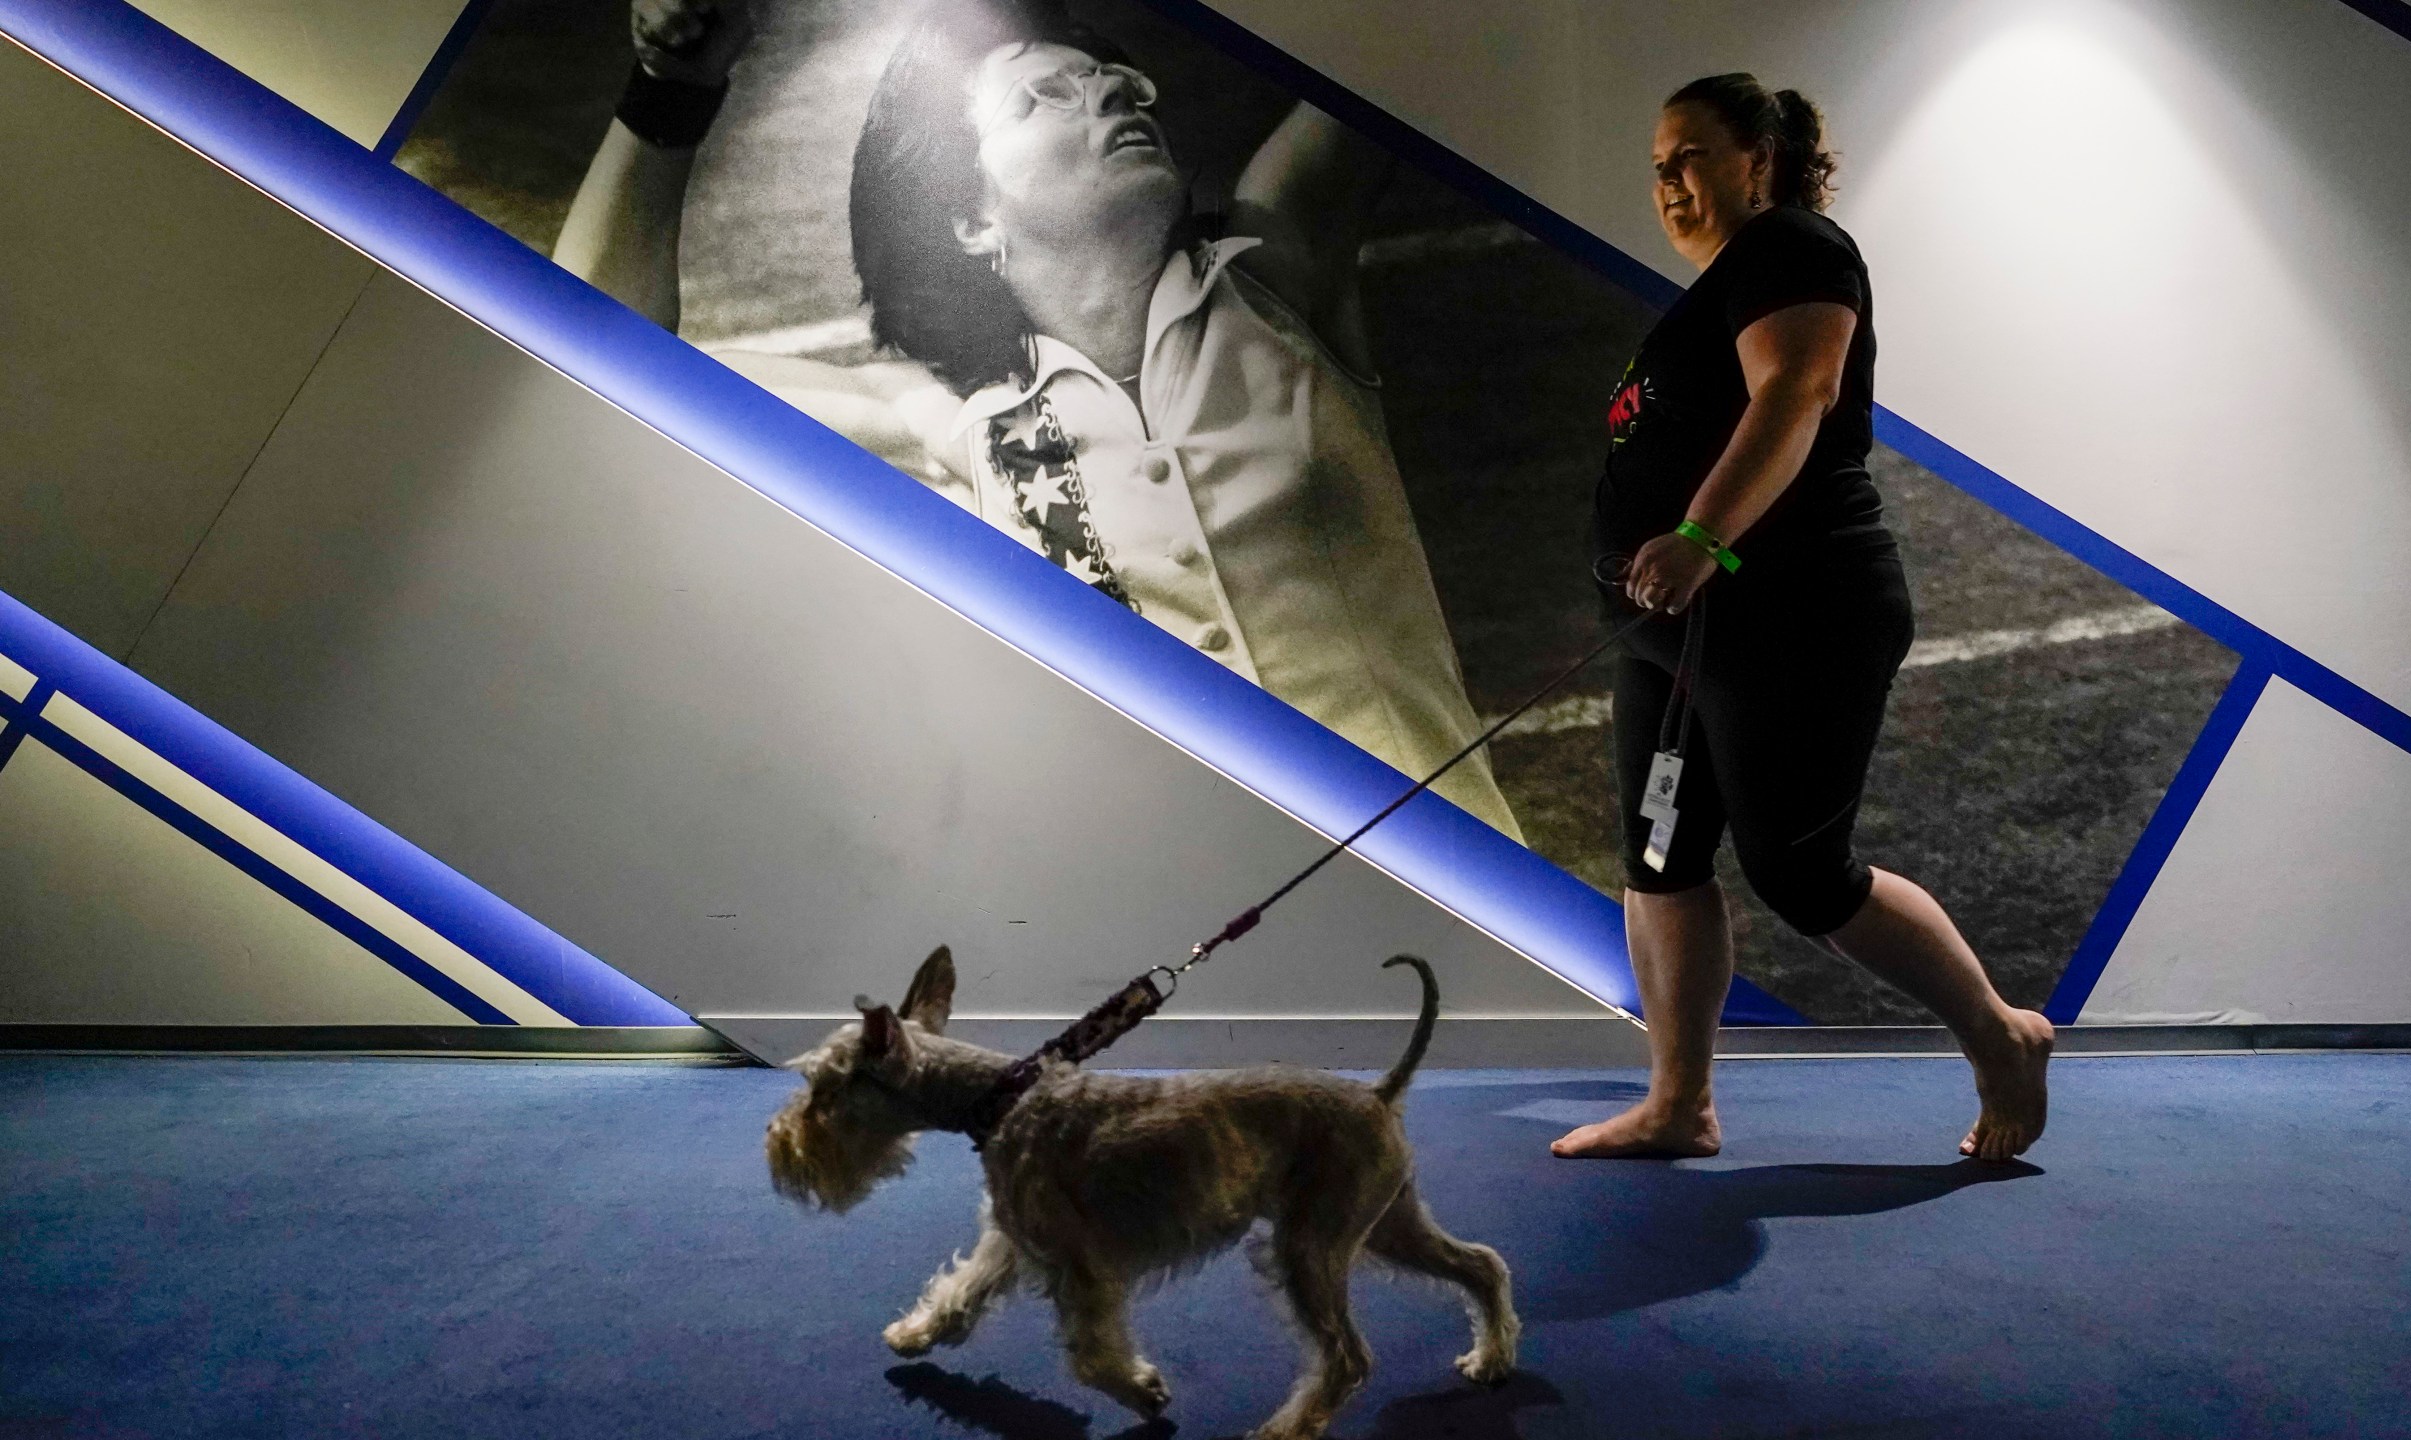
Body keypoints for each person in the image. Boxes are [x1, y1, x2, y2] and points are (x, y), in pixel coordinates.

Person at [554, 0, 1519, 837]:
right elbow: (592, 356)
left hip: (1452, 879)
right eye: (1041, 97)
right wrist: (669, 90)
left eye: (1114, 81)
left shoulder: (1275, 279)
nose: (1106, 92)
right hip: (1197, 928)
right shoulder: (953, 428)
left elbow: (1402, 42)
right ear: (971, 219)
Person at [1550, 75, 2053, 1164]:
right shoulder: (1719, 287)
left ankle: (2000, 1034)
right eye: (1656, 165)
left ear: (1759, 156)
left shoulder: (1796, 248)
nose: (1667, 182)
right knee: (1659, 857)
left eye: (1688, 155)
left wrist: (1704, 534)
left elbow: (1798, 392)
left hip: (1792, 606)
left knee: (1800, 873)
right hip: (1675, 630)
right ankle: (1678, 1103)